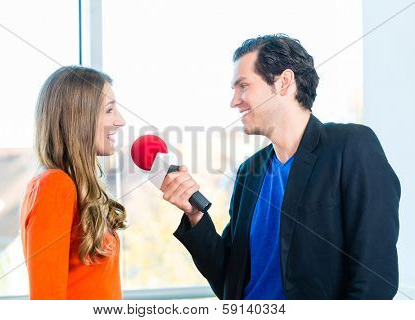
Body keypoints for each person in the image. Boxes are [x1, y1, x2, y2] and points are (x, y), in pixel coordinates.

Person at [160, 34, 400, 299]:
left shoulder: (350, 147)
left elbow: (376, 278)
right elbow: (230, 279)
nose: (234, 101)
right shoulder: (249, 172)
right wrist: (196, 216)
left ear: (283, 82)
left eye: (243, 86)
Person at [20, 66, 126, 299]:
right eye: (110, 110)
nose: (121, 121)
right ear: (78, 118)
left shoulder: (76, 187)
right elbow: (47, 301)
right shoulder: (54, 185)